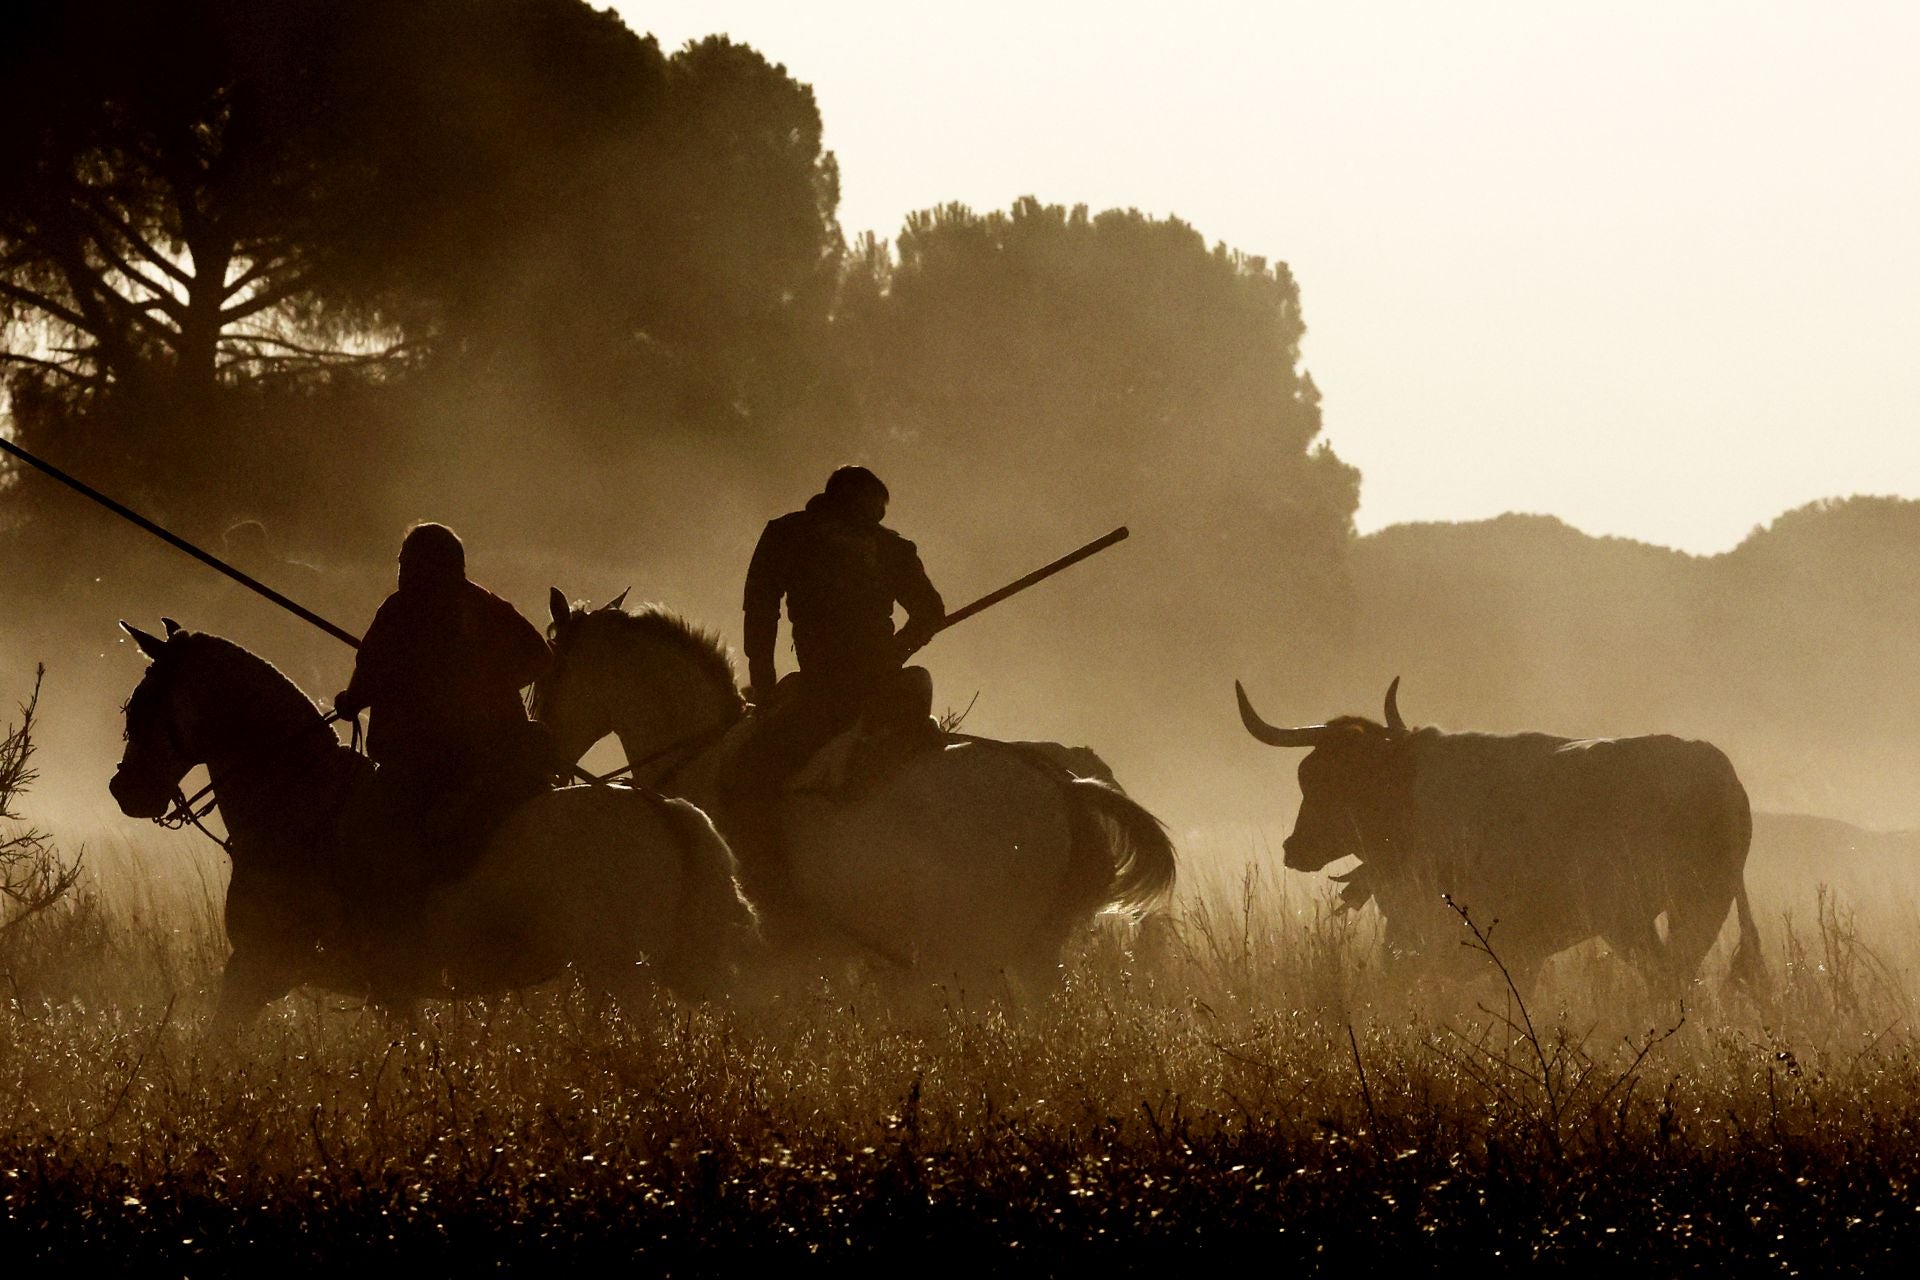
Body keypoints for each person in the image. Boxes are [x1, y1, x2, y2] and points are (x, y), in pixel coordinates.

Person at [721, 466, 946, 910]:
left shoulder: (791, 534)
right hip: (868, 683)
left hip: (831, 688)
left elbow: (760, 613)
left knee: (744, 777)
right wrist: (895, 651)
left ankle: (773, 893)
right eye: (873, 509)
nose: (875, 519)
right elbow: (930, 611)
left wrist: (764, 687)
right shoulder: (884, 546)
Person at [333, 522, 553, 877]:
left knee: (362, 828)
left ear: (423, 566)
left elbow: (365, 684)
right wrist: (492, 685)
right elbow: (539, 656)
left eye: (405, 564)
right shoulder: (487, 604)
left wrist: (349, 701)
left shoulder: (399, 611)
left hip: (420, 763)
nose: (401, 573)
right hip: (495, 754)